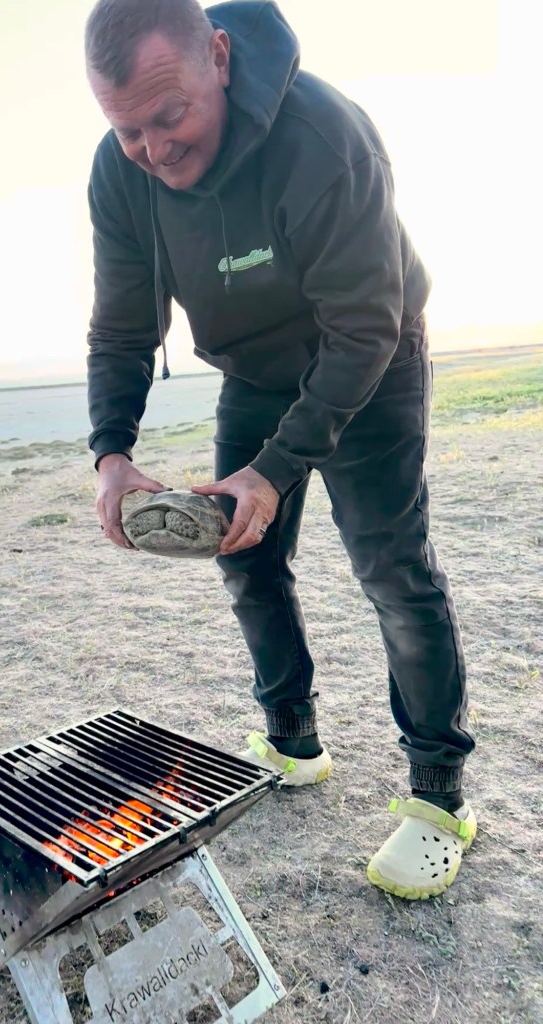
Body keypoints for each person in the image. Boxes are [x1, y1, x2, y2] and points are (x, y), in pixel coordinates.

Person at [84, 0, 476, 899]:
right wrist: (112, 452)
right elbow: (121, 325)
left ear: (219, 58)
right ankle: (293, 738)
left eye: (170, 116)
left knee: (391, 569)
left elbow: (365, 326)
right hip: (254, 372)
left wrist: (274, 469)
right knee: (243, 555)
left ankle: (440, 796)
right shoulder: (121, 171)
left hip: (369, 355)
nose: (154, 149)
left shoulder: (323, 137)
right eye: (129, 129)